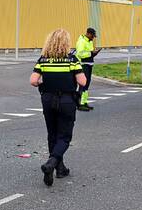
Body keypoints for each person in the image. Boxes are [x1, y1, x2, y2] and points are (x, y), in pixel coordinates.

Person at [30, 28, 87, 186]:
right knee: (64, 136)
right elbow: (82, 81)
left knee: (52, 134)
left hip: (48, 99)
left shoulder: (43, 59)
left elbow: (33, 80)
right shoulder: (72, 59)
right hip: (67, 100)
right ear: (66, 43)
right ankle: (51, 164)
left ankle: (59, 169)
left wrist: (45, 82)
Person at [74, 27, 100, 111]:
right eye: (92, 36)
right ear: (88, 33)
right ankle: (80, 104)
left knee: (87, 85)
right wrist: (91, 53)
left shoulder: (89, 41)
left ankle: (84, 102)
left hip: (89, 64)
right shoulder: (82, 41)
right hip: (83, 65)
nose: (93, 38)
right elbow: (80, 54)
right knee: (83, 84)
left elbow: (89, 53)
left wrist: (94, 53)